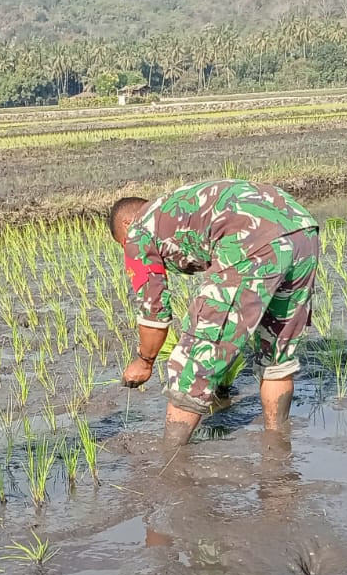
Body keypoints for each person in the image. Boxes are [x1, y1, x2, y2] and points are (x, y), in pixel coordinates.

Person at [110, 179, 320, 443]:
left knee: (194, 361)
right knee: (277, 356)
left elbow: (154, 314)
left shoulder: (138, 230)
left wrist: (145, 361)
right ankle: (277, 449)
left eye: (122, 244)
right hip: (303, 229)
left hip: (251, 238)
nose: (127, 249)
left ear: (126, 225)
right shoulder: (176, 204)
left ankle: (170, 460)